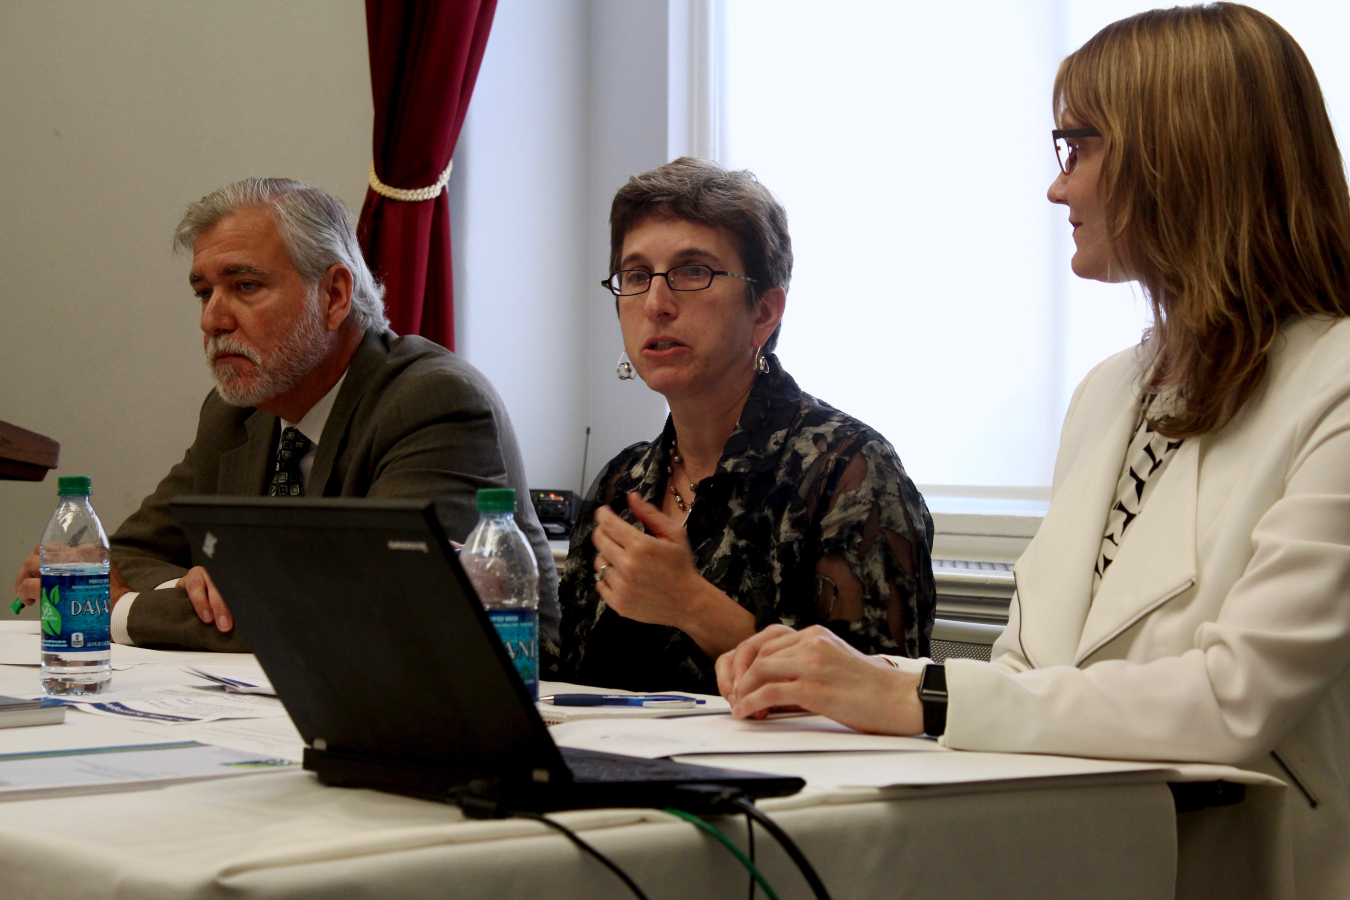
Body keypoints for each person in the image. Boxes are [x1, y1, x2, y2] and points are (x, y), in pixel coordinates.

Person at [717, 4, 1350, 896]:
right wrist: (841, 676)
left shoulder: (1338, 384)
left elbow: (1231, 699)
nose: (1059, 189)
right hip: (1083, 849)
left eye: (1077, 149)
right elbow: (1031, 677)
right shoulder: (1109, 391)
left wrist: (911, 697)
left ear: (1180, 153)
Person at [12, 177, 559, 653]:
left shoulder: (434, 403)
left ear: (335, 295)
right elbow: (121, 556)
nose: (212, 319)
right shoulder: (237, 415)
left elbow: (372, 615)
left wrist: (125, 609)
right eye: (203, 292)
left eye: (244, 286)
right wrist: (186, 588)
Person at [555, 158, 935, 695]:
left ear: (764, 312)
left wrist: (692, 605)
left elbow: (884, 701)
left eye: (693, 272)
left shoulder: (847, 472)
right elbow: (573, 683)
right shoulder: (621, 484)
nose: (656, 305)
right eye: (636, 276)